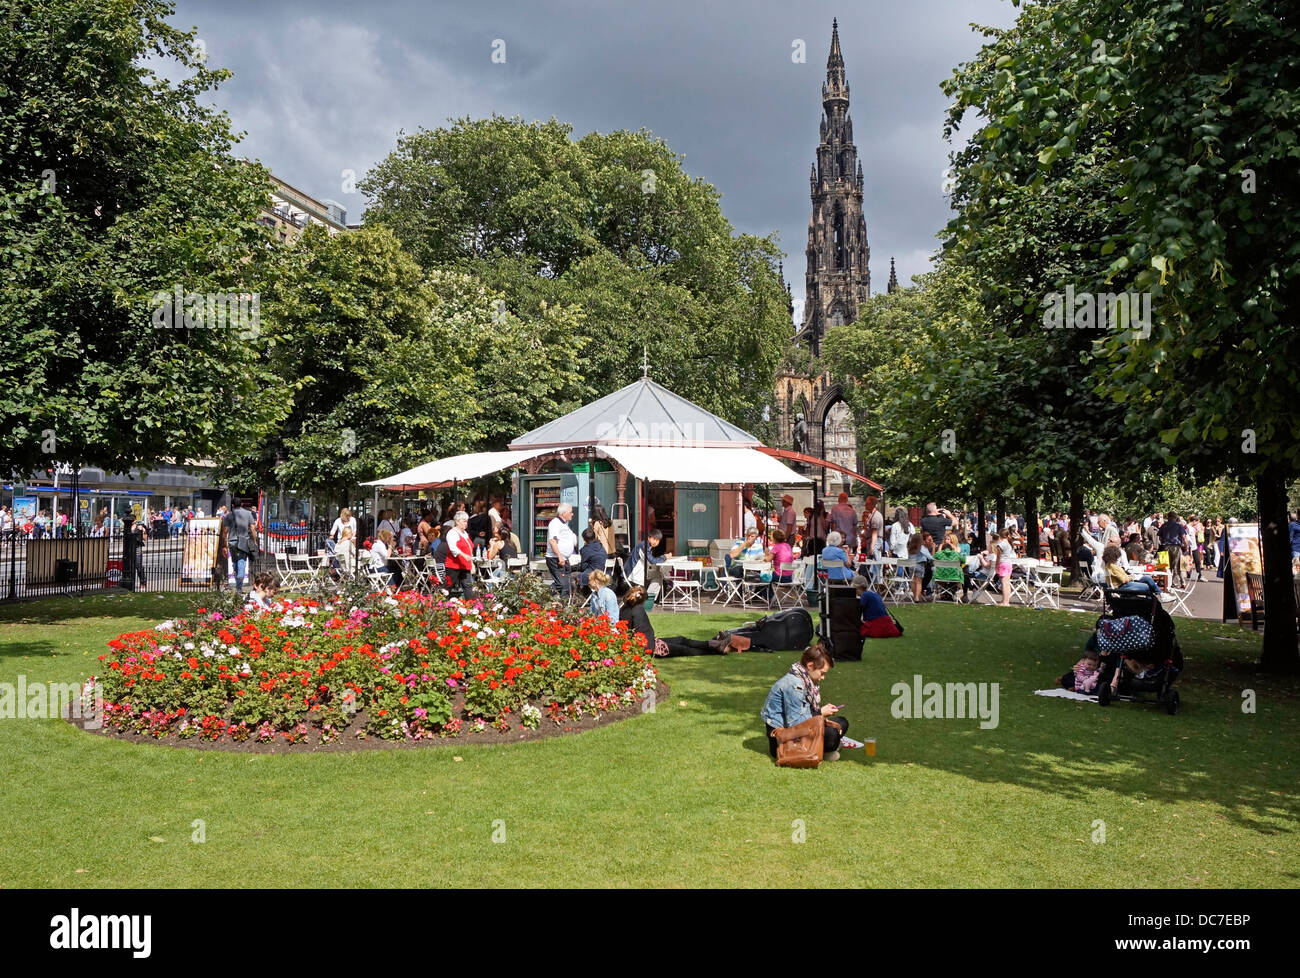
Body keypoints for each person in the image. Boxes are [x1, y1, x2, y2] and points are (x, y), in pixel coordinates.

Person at [761, 643, 848, 762]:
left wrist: (821, 716)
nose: (823, 678)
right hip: (783, 740)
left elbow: (804, 713)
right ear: (810, 665)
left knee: (842, 722)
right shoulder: (795, 685)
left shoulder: (805, 679)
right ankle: (820, 751)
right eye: (822, 673)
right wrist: (820, 713)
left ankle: (823, 748)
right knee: (832, 734)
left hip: (795, 730)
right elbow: (795, 724)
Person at [224, 497, 258, 592]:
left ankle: (238, 584)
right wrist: (255, 541)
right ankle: (240, 580)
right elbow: (252, 528)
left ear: (232, 505)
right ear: (242, 504)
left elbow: (225, 531)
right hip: (244, 541)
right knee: (242, 561)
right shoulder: (248, 514)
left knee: (234, 562)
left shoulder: (229, 515)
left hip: (232, 541)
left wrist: (224, 544)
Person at [546, 503, 578, 597]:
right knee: (562, 584)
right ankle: (545, 595)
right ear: (564, 513)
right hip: (556, 558)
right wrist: (560, 556)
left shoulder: (564, 524)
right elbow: (552, 541)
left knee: (565, 584)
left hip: (564, 559)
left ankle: (550, 598)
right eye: (571, 512)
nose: (572, 514)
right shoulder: (555, 524)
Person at [443, 511, 475, 599]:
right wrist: (464, 555)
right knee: (448, 586)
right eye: (464, 521)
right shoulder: (452, 533)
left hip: (465, 565)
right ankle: (441, 605)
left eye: (466, 521)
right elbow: (453, 548)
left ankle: (471, 606)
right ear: (457, 522)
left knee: (468, 587)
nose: (466, 523)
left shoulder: (465, 534)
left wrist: (471, 562)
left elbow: (469, 548)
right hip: (454, 566)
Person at [1158, 510, 1186, 587]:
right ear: (1175, 517)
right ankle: (1175, 582)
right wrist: (1186, 547)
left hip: (1165, 546)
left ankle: (1166, 581)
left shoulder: (1164, 525)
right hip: (1176, 546)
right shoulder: (1179, 526)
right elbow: (1183, 537)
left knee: (1165, 565)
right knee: (1176, 565)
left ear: (1168, 517)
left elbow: (1160, 537)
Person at [992, 531, 1015, 607]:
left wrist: (996, 566)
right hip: (1009, 564)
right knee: (1007, 584)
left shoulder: (1001, 545)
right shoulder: (1009, 544)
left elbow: (998, 557)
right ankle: (1006, 601)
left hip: (1003, 564)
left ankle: (1005, 602)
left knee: (1004, 584)